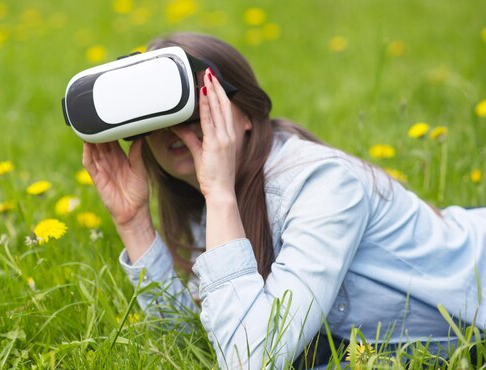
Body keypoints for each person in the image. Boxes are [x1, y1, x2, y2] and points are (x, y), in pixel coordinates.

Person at [81, 32, 486, 369]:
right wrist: (133, 223)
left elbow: (253, 358)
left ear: (245, 115)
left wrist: (220, 194)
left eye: (198, 108)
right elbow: (196, 343)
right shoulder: (207, 207)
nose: (178, 128)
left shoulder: (323, 184)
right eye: (161, 117)